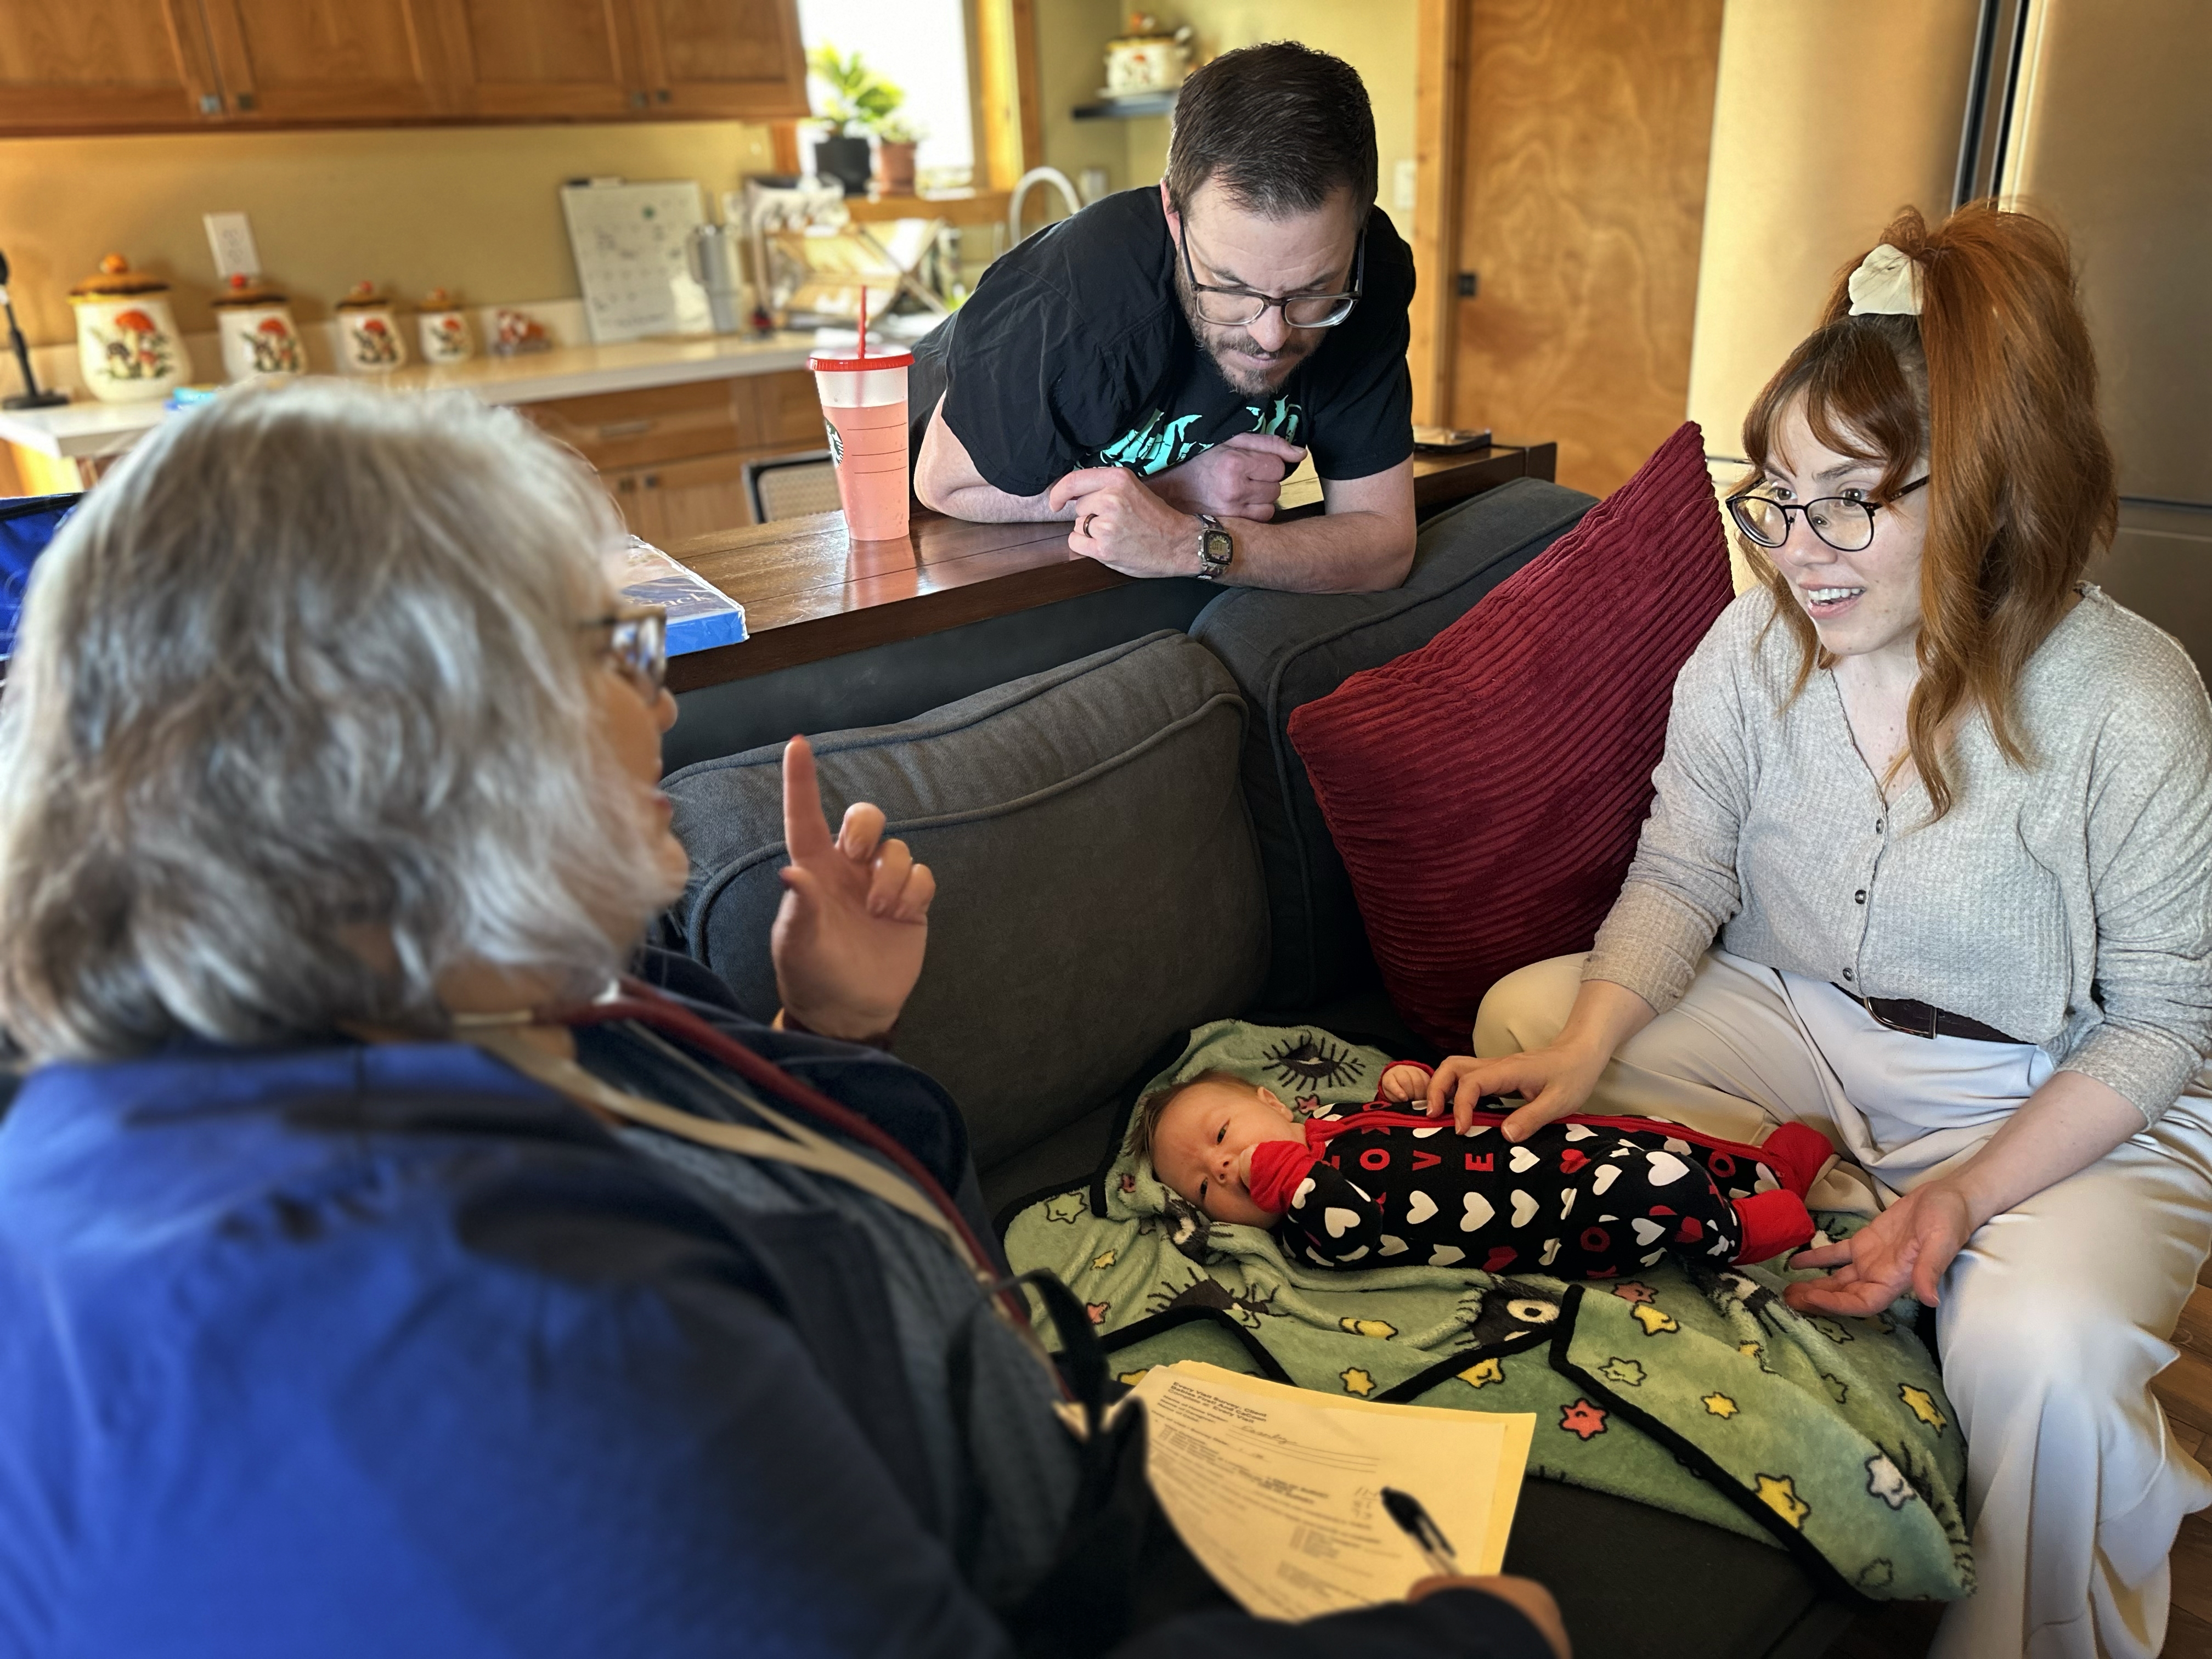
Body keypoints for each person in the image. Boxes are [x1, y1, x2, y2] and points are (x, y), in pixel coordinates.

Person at [0, 380, 1568, 1659]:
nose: (668, 697)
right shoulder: (476, 1337)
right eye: (617, 648)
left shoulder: (398, 1012)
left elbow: (778, 1212)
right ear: (419, 743)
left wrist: (825, 1030)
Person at [1421, 202, 2212, 1659]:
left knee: (2046, 1350)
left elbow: (2170, 1017)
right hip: (1794, 1017)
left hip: (2056, 1080)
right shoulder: (1748, 648)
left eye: (1847, 501)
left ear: (1984, 488)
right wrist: (1595, 1044)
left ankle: (1955, 1315)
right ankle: (1859, 1223)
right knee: (1530, 1027)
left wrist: (1968, 1193)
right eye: (1775, 498)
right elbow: (1680, 875)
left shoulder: (2131, 699)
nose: (1798, 549)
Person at [910, 41, 1418, 594]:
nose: (1270, 336)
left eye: (1314, 290)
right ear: (1174, 216)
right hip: (919, 486)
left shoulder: (1376, 270)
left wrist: (1192, 541)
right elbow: (943, 485)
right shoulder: (1079, 299)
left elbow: (1384, 547)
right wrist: (1170, 491)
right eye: (1228, 286)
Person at [1135, 1064, 1828, 1274]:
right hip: (1559, 1219)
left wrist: (1399, 1089)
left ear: (1272, 1101)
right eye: (1203, 1187)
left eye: (1222, 1136)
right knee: (1651, 1185)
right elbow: (1350, 1227)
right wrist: (1287, 1178)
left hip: (1546, 1146)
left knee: (1654, 1138)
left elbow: (1391, 1123)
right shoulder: (1307, 1229)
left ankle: (1765, 1172)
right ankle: (1735, 1232)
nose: (1224, 1167)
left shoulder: (1331, 1123)